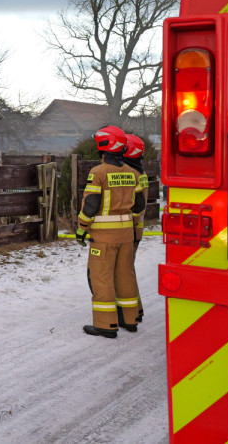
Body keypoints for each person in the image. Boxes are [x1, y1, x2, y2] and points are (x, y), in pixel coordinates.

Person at [75, 125, 145, 338]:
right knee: (125, 275)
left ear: (103, 146)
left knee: (102, 277)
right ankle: (130, 320)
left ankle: (106, 325)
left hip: (104, 237)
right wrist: (131, 225)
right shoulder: (133, 173)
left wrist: (81, 229)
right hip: (126, 234)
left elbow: (90, 205)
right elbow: (139, 206)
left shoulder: (98, 172)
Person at [122, 133, 147, 325]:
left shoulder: (130, 173)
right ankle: (135, 310)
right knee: (128, 270)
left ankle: (129, 314)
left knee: (123, 273)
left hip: (128, 229)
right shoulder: (141, 172)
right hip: (137, 229)